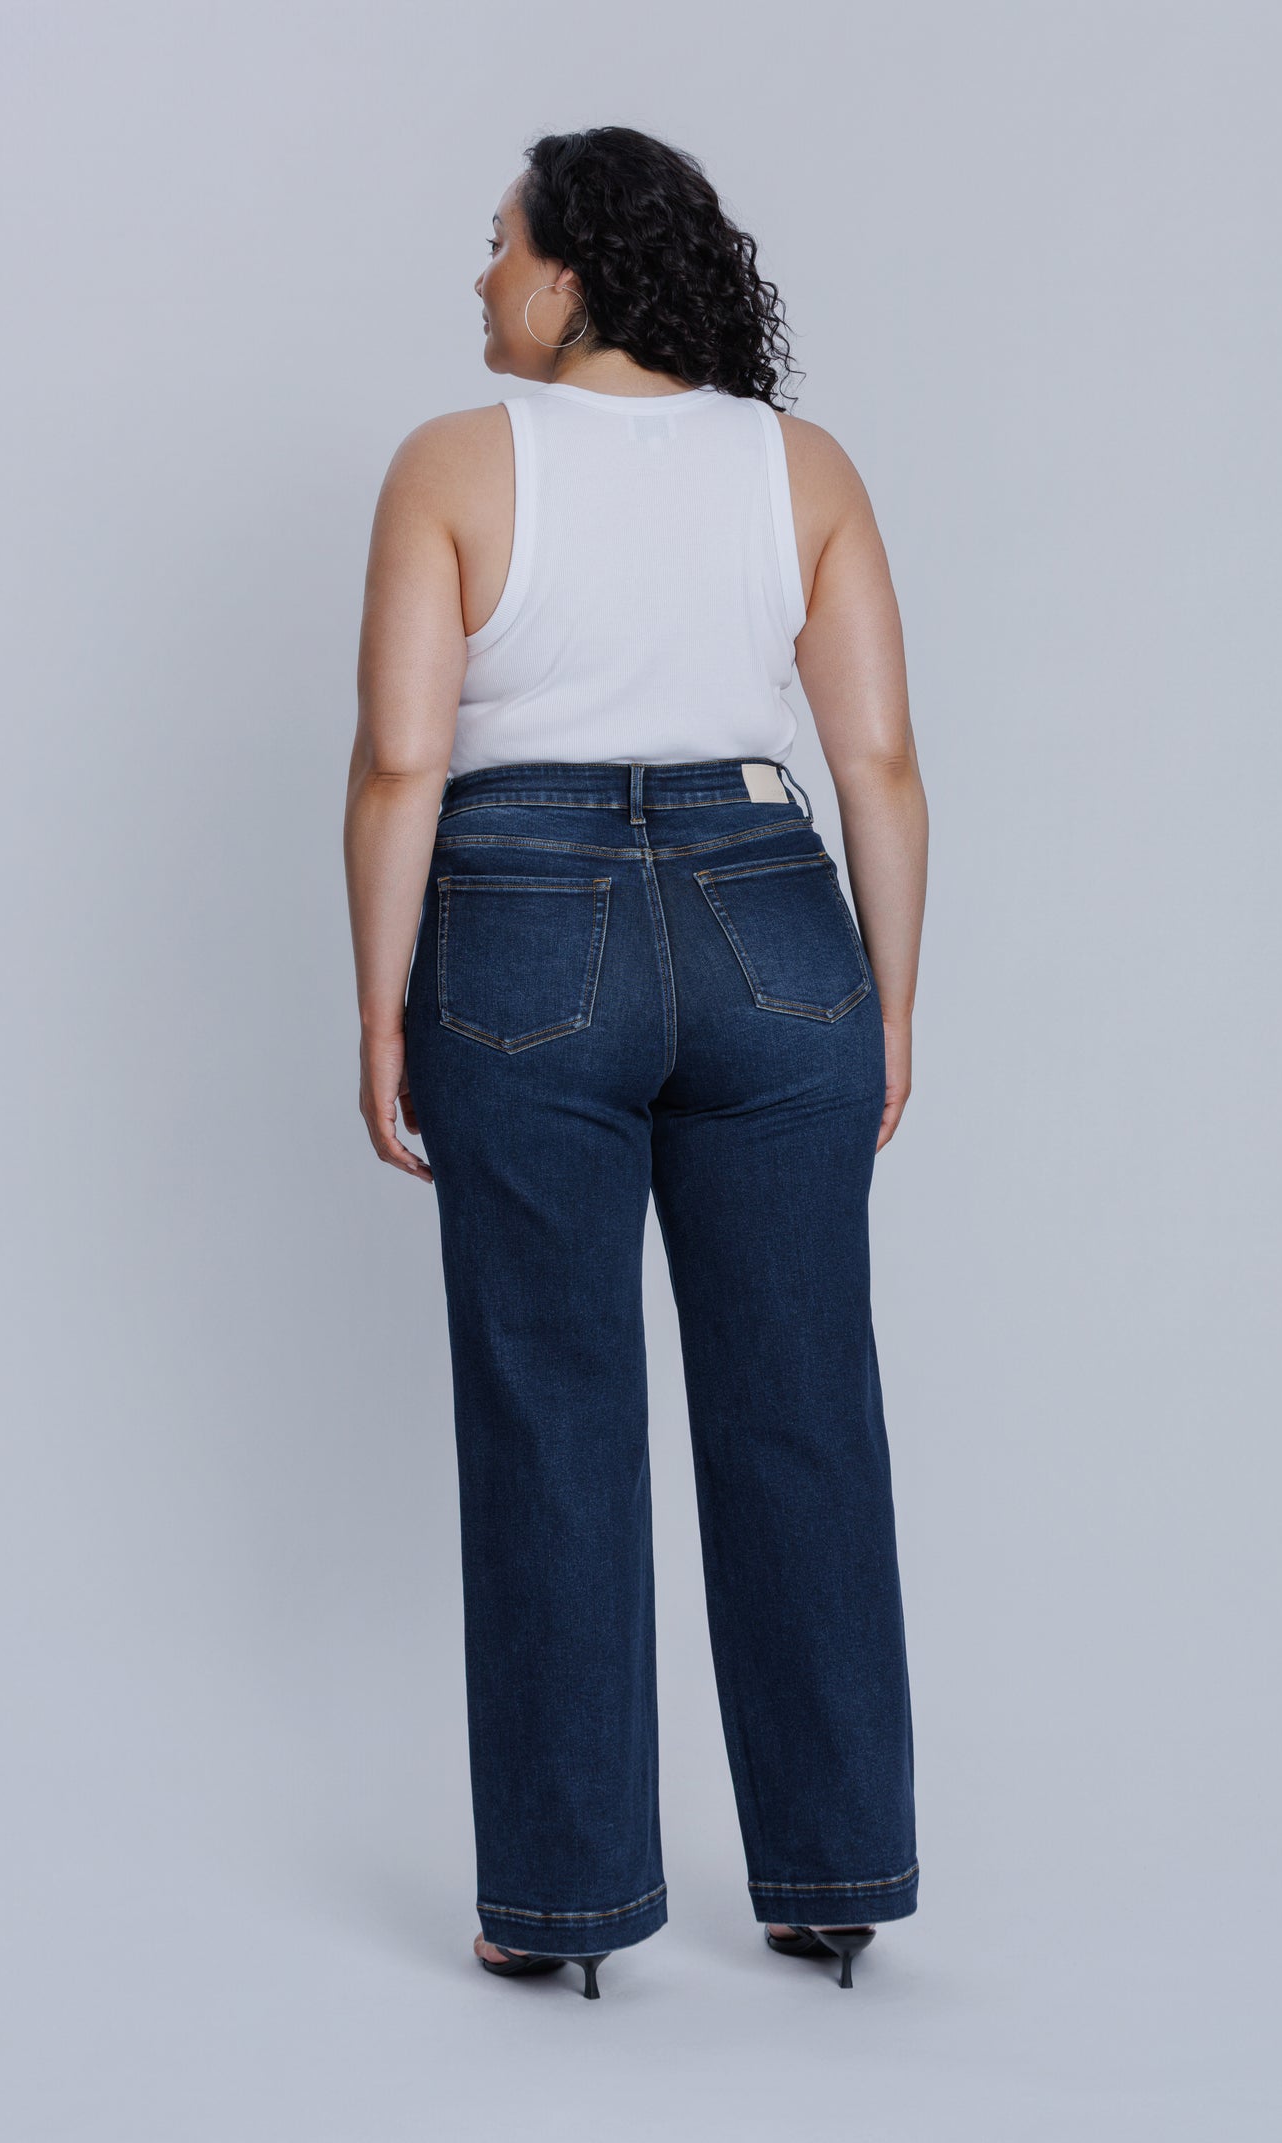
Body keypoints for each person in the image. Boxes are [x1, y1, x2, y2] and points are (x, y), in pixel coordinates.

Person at [344, 125, 928, 1999]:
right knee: (802, 1411)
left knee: (550, 1412)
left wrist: (379, 1001)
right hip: (780, 921)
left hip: (519, 921)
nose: (483, 281)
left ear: (574, 269)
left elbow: (402, 764)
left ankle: (565, 1905)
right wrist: (890, 995)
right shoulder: (803, 465)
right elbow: (882, 766)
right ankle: (831, 1880)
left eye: (500, 247)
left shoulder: (453, 461)